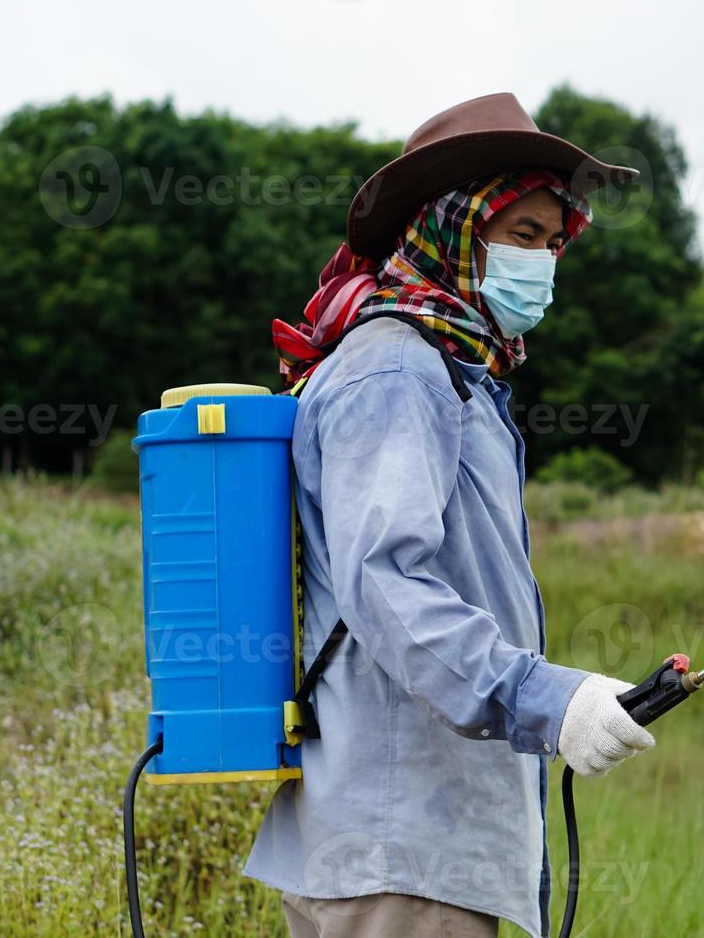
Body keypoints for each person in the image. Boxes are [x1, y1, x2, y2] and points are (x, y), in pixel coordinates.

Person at [250, 93, 655, 938]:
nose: (542, 260)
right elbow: (386, 585)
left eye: (552, 242)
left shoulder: (454, 372)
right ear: (453, 232)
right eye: (521, 236)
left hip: (414, 854)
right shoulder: (398, 370)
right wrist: (547, 698)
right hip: (399, 854)